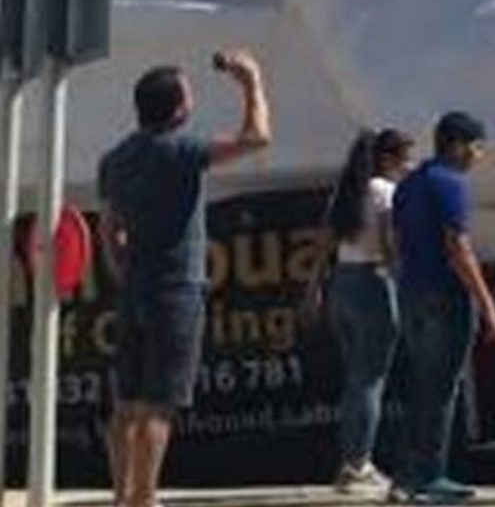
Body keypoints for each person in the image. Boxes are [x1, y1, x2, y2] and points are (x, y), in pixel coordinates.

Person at [97, 51, 272, 507]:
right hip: (175, 287)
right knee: (159, 404)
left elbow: (108, 226)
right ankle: (144, 497)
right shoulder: (181, 150)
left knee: (126, 403)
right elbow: (256, 139)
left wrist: (120, 266)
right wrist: (251, 81)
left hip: (135, 283)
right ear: (178, 108)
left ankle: (122, 496)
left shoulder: (116, 158)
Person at [390, 112, 495, 505]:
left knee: (421, 385)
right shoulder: (451, 184)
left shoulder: (407, 185)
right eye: (476, 147)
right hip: (444, 294)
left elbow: (396, 243)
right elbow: (458, 248)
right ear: (456, 145)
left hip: (411, 293)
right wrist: (488, 304)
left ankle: (405, 474)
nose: (478, 156)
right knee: (442, 389)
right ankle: (430, 476)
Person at [315, 128, 415, 496]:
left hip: (342, 281)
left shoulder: (345, 193)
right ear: (387, 159)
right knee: (371, 379)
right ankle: (358, 463)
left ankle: (350, 459)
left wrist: (313, 289)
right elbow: (390, 244)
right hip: (374, 280)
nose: (409, 166)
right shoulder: (385, 192)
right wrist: (402, 281)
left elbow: (324, 242)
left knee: (355, 379)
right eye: (405, 159)